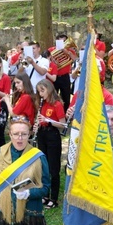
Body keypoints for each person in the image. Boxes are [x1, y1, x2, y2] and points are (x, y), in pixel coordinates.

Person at [33, 80, 66, 209]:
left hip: (53, 136)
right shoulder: (42, 104)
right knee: (44, 167)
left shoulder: (57, 104)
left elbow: (63, 125)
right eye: (39, 91)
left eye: (42, 90)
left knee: (53, 168)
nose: (40, 94)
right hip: (42, 135)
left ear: (49, 89)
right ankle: (45, 195)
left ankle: (54, 198)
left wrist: (48, 121)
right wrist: (38, 124)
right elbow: (40, 120)